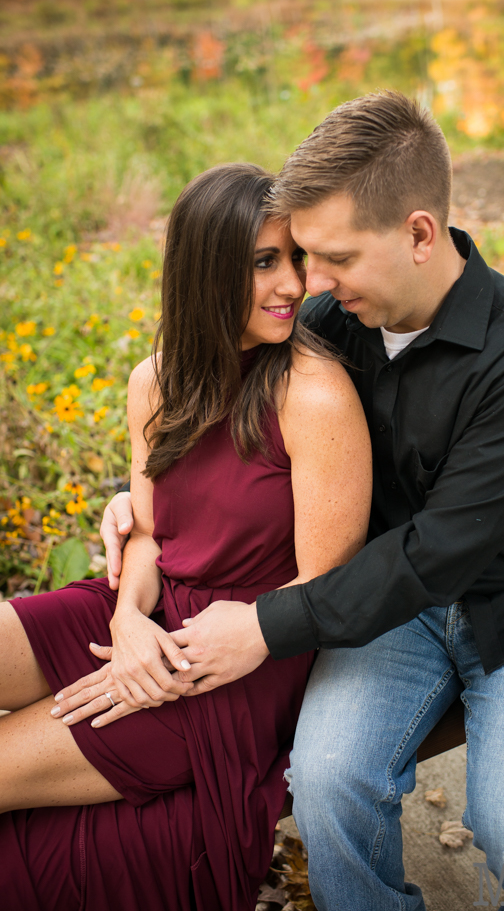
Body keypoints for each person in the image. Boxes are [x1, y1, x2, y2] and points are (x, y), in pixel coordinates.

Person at [99, 92, 504, 911]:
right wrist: (134, 502)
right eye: (305, 256)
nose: (311, 282)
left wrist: (265, 626)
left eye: (334, 257)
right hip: (382, 611)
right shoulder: (337, 322)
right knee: (330, 782)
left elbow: (437, 551)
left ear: (417, 233)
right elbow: (216, 420)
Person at [0, 163, 372, 911]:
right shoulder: (157, 379)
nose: (293, 286)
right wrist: (129, 619)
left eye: (294, 259)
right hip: (144, 611)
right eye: (264, 262)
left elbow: (325, 592)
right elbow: (147, 533)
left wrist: (171, 651)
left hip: (232, 661)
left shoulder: (315, 393)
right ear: (206, 271)